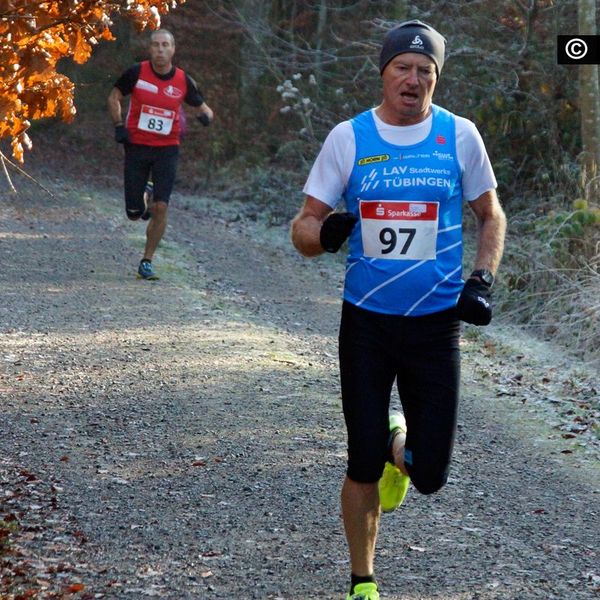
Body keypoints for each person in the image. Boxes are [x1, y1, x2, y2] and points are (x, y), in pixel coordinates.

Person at [291, 20, 506, 600]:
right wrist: (326, 232)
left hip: (435, 326)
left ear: (436, 80)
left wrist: (481, 279)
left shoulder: (459, 136)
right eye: (402, 69)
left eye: (425, 72)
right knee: (359, 462)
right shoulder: (349, 138)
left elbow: (491, 215)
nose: (413, 80)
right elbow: (302, 228)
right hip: (365, 321)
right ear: (384, 73)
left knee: (430, 474)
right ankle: (362, 582)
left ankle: (397, 445)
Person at [107, 28, 214, 280]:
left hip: (167, 149)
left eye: (165, 45)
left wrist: (206, 117)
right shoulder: (136, 72)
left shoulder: (182, 80)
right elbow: (114, 96)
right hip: (137, 146)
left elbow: (204, 107)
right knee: (134, 213)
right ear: (150, 49)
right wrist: (118, 125)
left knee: (162, 206)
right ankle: (144, 193)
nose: (160, 50)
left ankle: (147, 261)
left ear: (173, 49)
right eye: (155, 45)